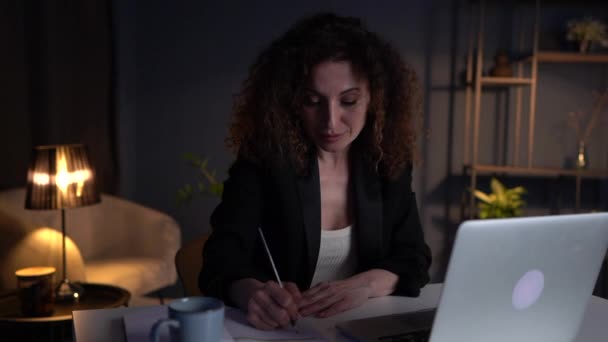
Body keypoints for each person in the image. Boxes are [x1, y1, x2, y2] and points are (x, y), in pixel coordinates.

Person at [198, 12, 432, 330]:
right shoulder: (263, 160)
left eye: (348, 101)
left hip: (361, 331)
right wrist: (250, 293)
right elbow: (219, 260)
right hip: (283, 333)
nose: (331, 122)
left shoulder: (387, 159)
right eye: (312, 101)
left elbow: (414, 259)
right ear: (292, 101)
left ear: (375, 99)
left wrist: (365, 286)